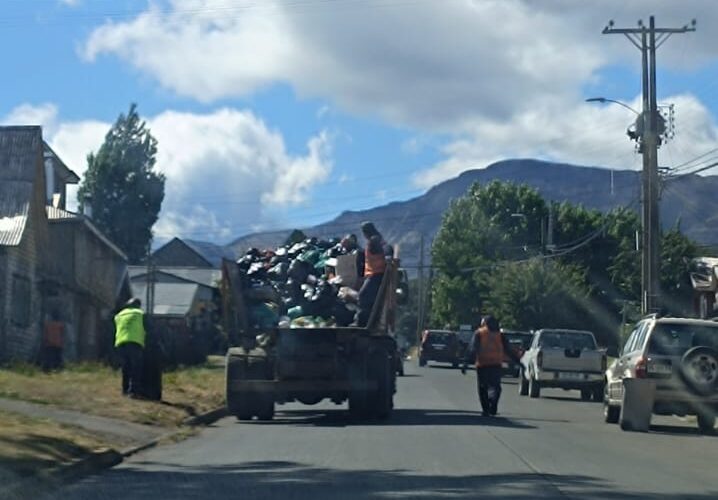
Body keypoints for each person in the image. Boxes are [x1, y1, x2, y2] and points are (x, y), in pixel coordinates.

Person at [461, 315, 521, 416]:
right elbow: (508, 350)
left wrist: (466, 363)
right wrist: (518, 361)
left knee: (483, 388)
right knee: (495, 387)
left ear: (483, 323)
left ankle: (486, 410)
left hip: (482, 365)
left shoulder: (479, 333)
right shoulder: (500, 335)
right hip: (496, 365)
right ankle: (493, 403)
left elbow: (472, 349)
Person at [355, 222, 393, 327]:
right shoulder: (374, 240)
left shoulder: (375, 239)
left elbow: (387, 248)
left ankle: (362, 323)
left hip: (376, 274)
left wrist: (388, 256)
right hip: (374, 274)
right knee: (371, 300)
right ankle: (370, 322)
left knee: (363, 296)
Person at [114, 298, 146, 398]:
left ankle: (124, 390)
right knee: (135, 368)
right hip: (135, 342)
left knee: (125, 367)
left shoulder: (119, 315)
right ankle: (133, 391)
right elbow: (149, 328)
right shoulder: (140, 314)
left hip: (121, 343)